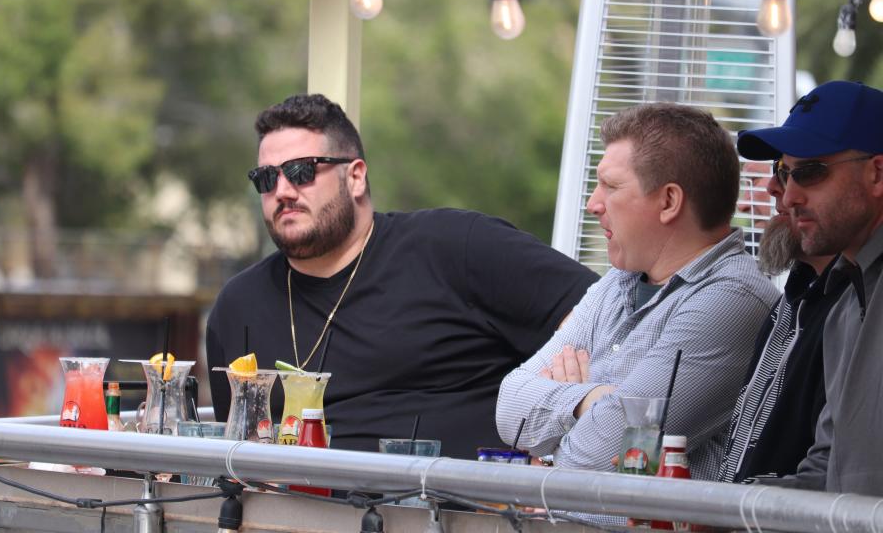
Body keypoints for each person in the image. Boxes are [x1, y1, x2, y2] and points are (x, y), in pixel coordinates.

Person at [205, 94, 599, 459]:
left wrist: (565, 395)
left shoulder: (453, 246)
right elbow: (235, 452)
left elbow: (606, 315)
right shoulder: (238, 304)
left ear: (355, 176)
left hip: (453, 513)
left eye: (300, 171)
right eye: (266, 179)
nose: (283, 191)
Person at [496, 103, 778, 480]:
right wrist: (593, 399)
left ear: (669, 202)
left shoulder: (732, 300)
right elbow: (508, 407)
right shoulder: (617, 282)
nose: (593, 204)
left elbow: (602, 456)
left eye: (611, 186)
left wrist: (549, 450)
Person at [736, 80, 883, 495]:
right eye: (784, 172)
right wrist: (719, 511)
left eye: (811, 172)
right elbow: (828, 470)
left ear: (877, 174)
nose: (787, 195)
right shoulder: (842, 307)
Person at [717, 161, 845, 483]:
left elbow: (829, 476)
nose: (777, 190)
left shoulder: (854, 307)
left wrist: (724, 511)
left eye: (794, 172)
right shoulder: (793, 296)